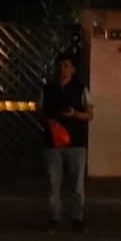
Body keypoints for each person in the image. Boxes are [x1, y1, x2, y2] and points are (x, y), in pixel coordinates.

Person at [41, 52, 92, 230]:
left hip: (76, 141)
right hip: (53, 141)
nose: (63, 69)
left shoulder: (80, 89)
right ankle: (54, 217)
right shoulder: (48, 89)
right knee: (53, 183)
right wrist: (49, 120)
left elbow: (90, 114)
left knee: (76, 184)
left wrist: (76, 114)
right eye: (60, 66)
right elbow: (39, 109)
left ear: (73, 69)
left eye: (67, 66)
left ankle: (77, 218)